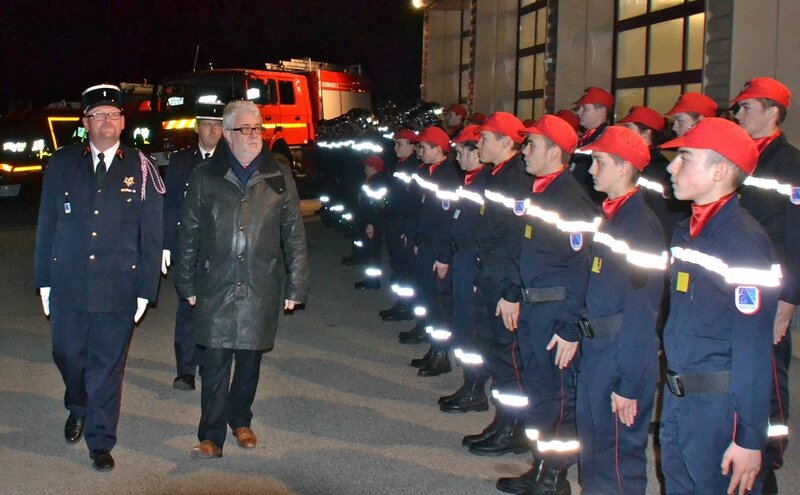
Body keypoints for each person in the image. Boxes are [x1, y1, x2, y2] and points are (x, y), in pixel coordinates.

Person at [34, 84, 164, 471]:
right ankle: (78, 404)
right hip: (69, 282)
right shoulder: (61, 163)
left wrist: (145, 289)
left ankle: (101, 439)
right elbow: (47, 223)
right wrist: (43, 279)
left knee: (108, 365)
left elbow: (151, 232)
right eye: (98, 115)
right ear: (85, 123)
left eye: (113, 115)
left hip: (118, 285)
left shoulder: (142, 167)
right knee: (68, 354)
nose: (106, 121)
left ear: (123, 122)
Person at [174, 100, 309, 459]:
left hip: (259, 283)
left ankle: (241, 419)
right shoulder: (206, 176)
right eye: (245, 129)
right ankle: (211, 435)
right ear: (228, 134)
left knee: (249, 360)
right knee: (215, 360)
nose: (253, 135)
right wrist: (184, 283)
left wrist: (297, 284)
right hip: (215, 282)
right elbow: (188, 232)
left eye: (258, 128)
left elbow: (293, 234)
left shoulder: (278, 176)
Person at [659, 117, 779, 495]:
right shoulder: (688, 231)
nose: (670, 167)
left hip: (717, 408)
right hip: (680, 399)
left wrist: (748, 437)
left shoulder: (743, 244)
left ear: (720, 171)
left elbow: (755, 351)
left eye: (685, 158)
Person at [494, 115, 597, 494]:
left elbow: (581, 271)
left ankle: (555, 475)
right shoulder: (542, 192)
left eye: (531, 145)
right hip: (535, 309)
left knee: (557, 397)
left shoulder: (571, 200)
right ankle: (541, 465)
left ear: (555, 152)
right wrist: (517, 294)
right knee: (539, 392)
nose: (524, 151)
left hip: (556, 314)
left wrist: (570, 326)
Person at [575, 126, 666, 494]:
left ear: (625, 167)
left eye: (599, 162)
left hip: (619, 355)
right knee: (594, 447)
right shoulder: (612, 215)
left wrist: (628, 382)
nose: (591, 170)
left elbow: (642, 312)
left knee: (617, 458)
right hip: (598, 350)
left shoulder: (640, 225)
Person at [732, 77, 800, 494]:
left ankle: (769, 462)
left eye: (745, 108)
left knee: (771, 375)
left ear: (772, 112)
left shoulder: (789, 164)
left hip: (773, 290)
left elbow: (796, 233)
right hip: (740, 283)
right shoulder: (742, 157)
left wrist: (791, 296)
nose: (738, 115)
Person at [462, 112, 532, 457]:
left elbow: (518, 242)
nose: (479, 144)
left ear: (507, 142)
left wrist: (510, 291)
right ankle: (503, 420)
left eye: (486, 138)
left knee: (508, 358)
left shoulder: (517, 179)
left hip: (503, 282)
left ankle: (516, 428)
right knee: (494, 351)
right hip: (489, 276)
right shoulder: (496, 174)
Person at [162, 101, 224, 391]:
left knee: (216, 308)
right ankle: (185, 370)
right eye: (208, 124)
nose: (213, 130)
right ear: (197, 127)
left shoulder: (231, 160)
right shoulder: (180, 161)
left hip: (220, 247)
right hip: (188, 246)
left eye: (218, 124)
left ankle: (208, 362)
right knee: (187, 306)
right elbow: (170, 204)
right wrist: (165, 245)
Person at [433, 125, 492, 412]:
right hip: (462, 259)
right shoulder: (469, 181)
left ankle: (476, 387)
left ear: (476, 151)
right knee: (461, 323)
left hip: (473, 262)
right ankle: (470, 382)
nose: (457, 158)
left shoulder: (485, 183)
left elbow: (486, 232)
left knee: (471, 328)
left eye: (461, 152)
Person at [402, 126, 460, 378]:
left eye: (423, 147)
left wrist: (443, 255)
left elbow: (448, 221)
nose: (419, 152)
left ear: (438, 149)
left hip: (438, 248)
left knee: (439, 303)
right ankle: (433, 348)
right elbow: (419, 210)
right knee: (427, 297)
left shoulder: (447, 176)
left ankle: (442, 354)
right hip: (425, 244)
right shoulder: (426, 171)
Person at [380, 129, 422, 322]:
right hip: (395, 219)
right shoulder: (399, 165)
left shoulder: (413, 167)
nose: (396, 147)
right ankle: (402, 303)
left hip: (403, 221)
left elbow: (412, 201)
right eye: (395, 143)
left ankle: (407, 306)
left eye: (400, 144)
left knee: (405, 268)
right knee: (397, 265)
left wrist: (407, 228)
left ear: (413, 146)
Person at [571, 87, 614, 200]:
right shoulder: (587, 138)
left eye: (585, 108)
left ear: (602, 112)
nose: (579, 112)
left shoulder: (606, 140)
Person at [353, 154, 387, 290]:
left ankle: (373, 281)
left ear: (374, 168)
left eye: (367, 166)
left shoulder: (376, 182)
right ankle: (371, 279)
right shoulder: (371, 180)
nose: (364, 169)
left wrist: (371, 224)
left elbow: (374, 205)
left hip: (373, 222)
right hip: (369, 220)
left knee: (372, 252)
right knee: (370, 251)